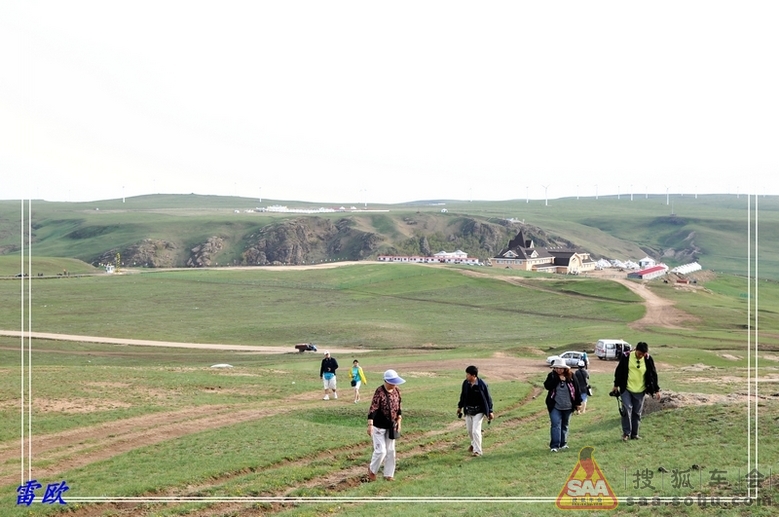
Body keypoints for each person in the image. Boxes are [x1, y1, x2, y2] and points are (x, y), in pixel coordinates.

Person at [610, 341, 660, 441]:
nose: (641, 356)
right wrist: (616, 385)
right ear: (635, 350)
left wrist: (656, 390)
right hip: (626, 389)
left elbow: (653, 374)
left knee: (637, 413)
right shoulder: (626, 356)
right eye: (639, 353)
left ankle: (635, 434)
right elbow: (619, 371)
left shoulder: (648, 359)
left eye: (643, 354)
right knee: (627, 409)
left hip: (640, 390)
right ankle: (626, 433)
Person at [367, 369, 405, 481]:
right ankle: (372, 470)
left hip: (391, 426)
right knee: (381, 451)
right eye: (392, 382)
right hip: (379, 426)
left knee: (391, 451)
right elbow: (373, 408)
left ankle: (388, 475)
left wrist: (399, 420)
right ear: (386, 381)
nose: (394, 384)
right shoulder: (379, 391)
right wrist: (370, 424)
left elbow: (399, 406)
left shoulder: (397, 391)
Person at [544, 358, 583, 452]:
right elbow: (547, 386)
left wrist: (578, 403)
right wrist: (557, 379)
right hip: (555, 405)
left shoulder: (571, 376)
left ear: (565, 368)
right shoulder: (552, 376)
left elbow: (577, 390)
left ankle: (563, 444)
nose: (558, 370)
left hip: (568, 406)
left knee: (565, 425)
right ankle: (554, 446)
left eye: (560, 368)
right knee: (555, 425)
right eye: (556, 368)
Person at [457, 365, 494, 457]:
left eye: (468, 374)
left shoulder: (482, 384)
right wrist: (460, 407)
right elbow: (463, 396)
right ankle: (473, 444)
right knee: (470, 431)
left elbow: (488, 398)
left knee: (475, 431)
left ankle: (478, 451)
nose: (466, 376)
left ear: (473, 375)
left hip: (479, 411)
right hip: (468, 410)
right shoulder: (465, 383)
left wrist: (490, 411)